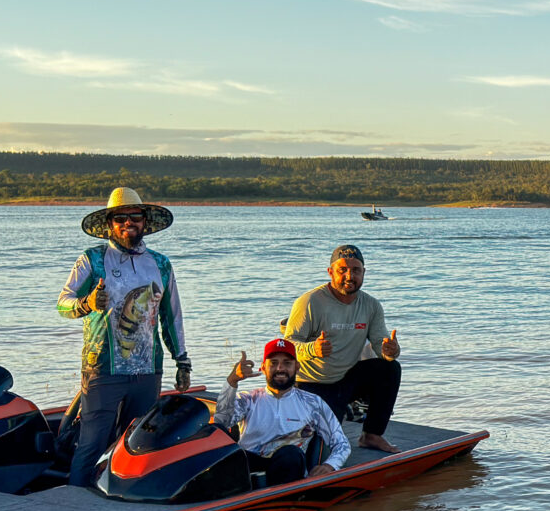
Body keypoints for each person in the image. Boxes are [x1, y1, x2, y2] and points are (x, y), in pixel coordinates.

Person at [57, 187, 193, 487]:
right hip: (103, 369)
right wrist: (87, 304)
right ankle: (72, 503)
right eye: (120, 217)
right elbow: (62, 302)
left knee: (135, 443)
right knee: (92, 443)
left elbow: (172, 317)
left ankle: (121, 500)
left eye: (135, 216)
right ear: (110, 223)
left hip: (147, 370)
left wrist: (182, 361)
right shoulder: (91, 260)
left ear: (145, 221)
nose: (128, 222)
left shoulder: (161, 264)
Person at [283, 244, 403, 453]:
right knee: (324, 449)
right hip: (311, 386)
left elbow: (380, 344)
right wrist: (313, 349)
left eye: (356, 270)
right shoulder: (309, 302)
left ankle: (372, 435)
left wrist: (391, 351)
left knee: (390, 368)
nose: (349, 276)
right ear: (330, 272)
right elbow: (287, 347)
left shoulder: (371, 305)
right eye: (343, 270)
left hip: (346, 380)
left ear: (364, 273)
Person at [218, 339, 350, 486]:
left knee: (290, 454)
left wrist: (329, 466)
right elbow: (221, 422)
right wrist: (232, 382)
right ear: (263, 368)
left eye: (287, 363)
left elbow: (342, 443)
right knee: (217, 438)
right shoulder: (248, 399)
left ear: (297, 367)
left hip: (289, 468)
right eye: (273, 363)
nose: (280, 368)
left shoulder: (313, 403)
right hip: (248, 467)